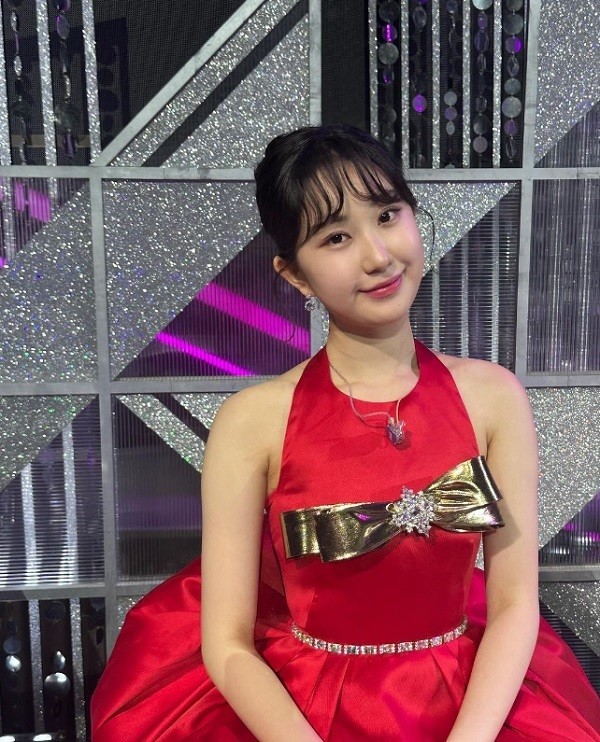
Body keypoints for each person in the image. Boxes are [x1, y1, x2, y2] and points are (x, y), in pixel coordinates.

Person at [91, 125, 600, 741]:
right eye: (336, 237)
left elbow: (515, 604)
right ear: (295, 275)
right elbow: (226, 642)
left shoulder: (494, 398)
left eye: (387, 215)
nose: (378, 256)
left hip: (471, 703)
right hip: (305, 712)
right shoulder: (253, 420)